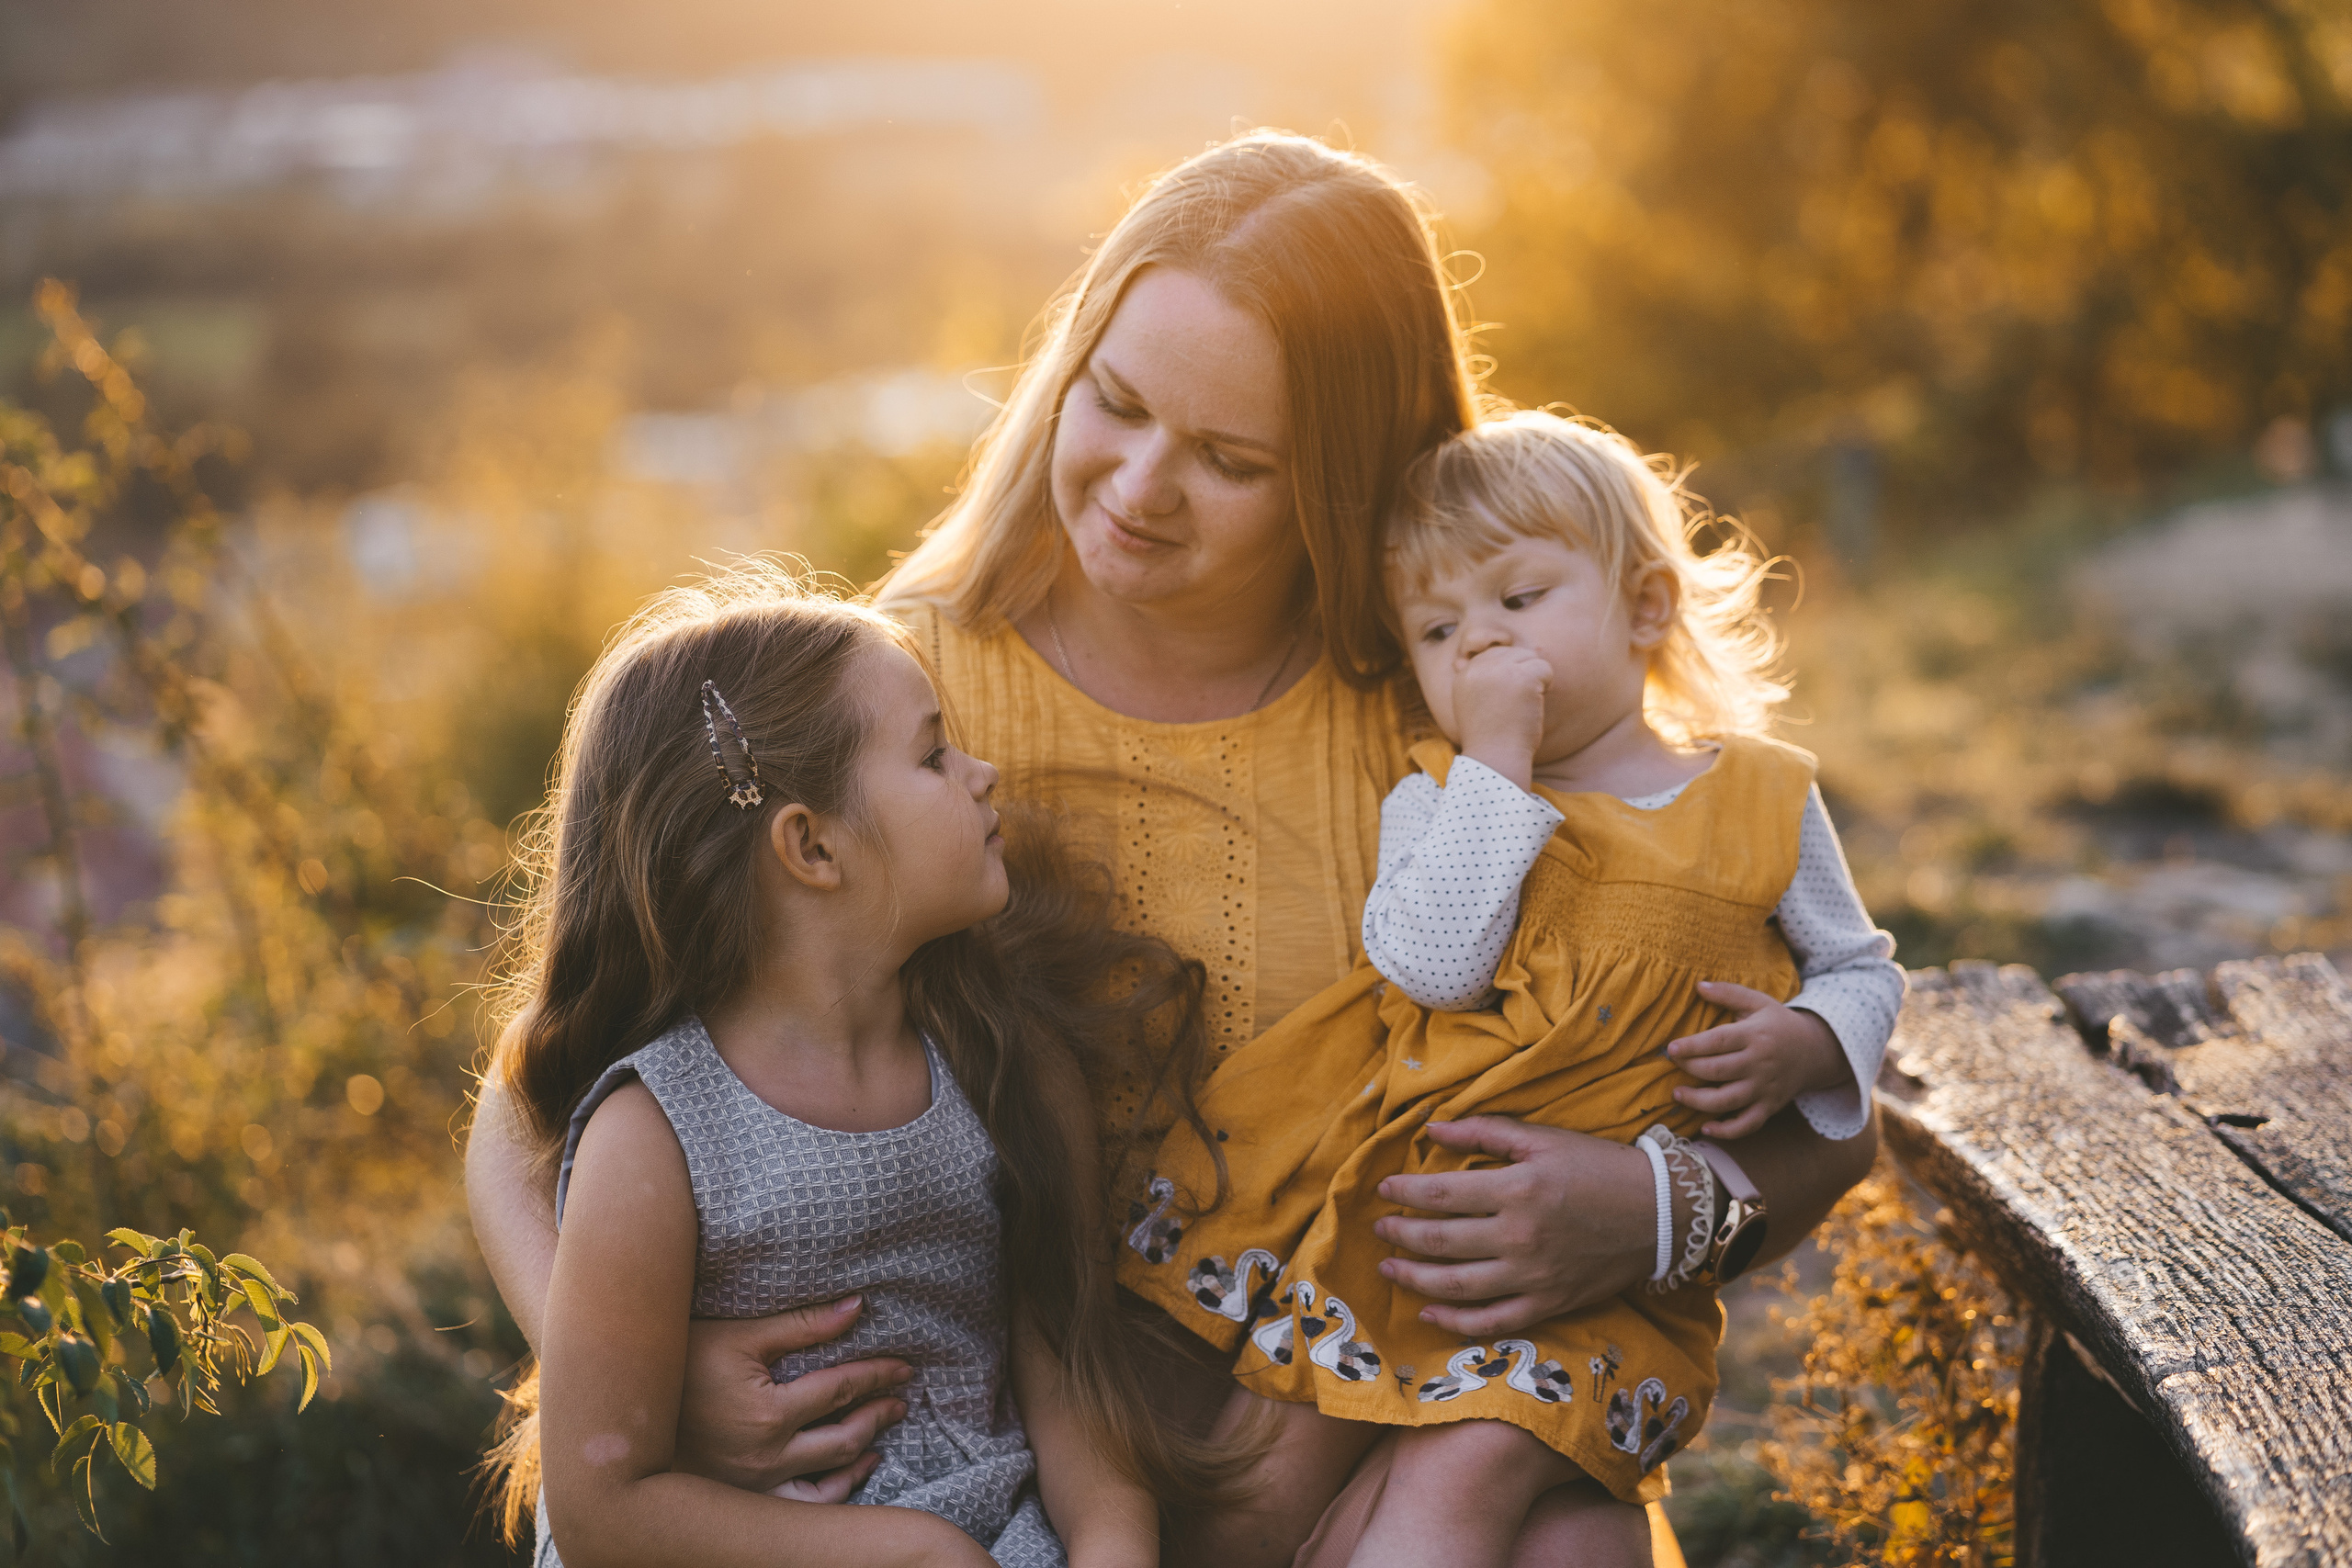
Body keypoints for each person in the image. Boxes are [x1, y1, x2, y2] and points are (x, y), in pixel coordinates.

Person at [466, 130, 1883, 1563]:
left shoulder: (1467, 712)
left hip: (1372, 1435)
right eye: (1119, 401)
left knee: (1571, 1544)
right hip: (1032, 1460)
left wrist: (1650, 1210)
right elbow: (554, 1089)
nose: (1143, 483)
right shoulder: (912, 696)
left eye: (1228, 458)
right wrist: (639, 1377)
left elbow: (1817, 1107)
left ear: (1340, 479)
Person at [1116, 411, 1903, 1568]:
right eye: (1438, 630)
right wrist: (1496, 763)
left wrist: (1811, 1045)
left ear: (1644, 607)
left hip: (1605, 1285)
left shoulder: (1760, 798)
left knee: (1465, 1483)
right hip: (1399, 1244)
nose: (1477, 648)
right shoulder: (1442, 797)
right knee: (1257, 1504)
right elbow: (1434, 962)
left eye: (1516, 603)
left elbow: (1861, 967)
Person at [483, 565, 1238, 1567]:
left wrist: (1110, 1546)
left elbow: (1067, 1389)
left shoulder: (1002, 1069)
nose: (982, 774)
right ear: (813, 848)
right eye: (933, 756)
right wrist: (911, 1551)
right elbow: (600, 1509)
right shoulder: (658, 1133)